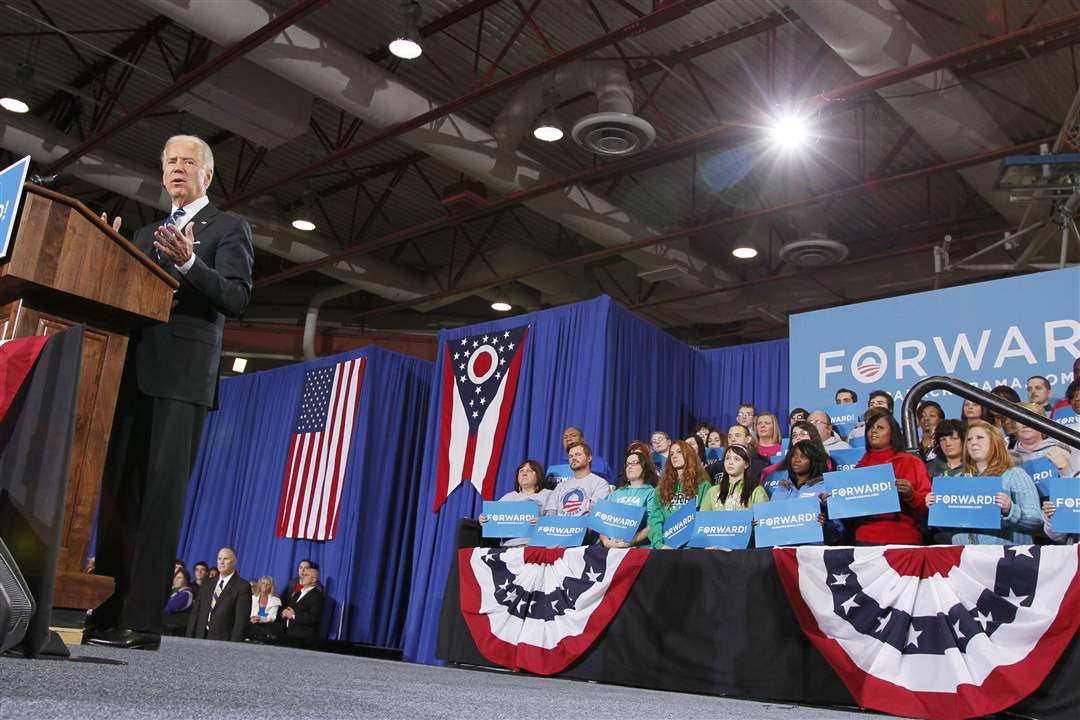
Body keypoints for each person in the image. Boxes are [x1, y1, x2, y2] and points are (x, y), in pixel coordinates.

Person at [89, 135, 254, 650]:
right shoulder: (144, 233)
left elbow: (236, 298)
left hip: (182, 381)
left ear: (208, 175)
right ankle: (105, 613)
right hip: (130, 375)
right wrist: (106, 256)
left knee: (159, 503)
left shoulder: (228, 228)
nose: (178, 169)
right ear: (162, 174)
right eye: (171, 162)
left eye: (188, 162)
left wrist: (189, 264)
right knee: (119, 499)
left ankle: (141, 623)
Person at [926, 419, 1041, 545]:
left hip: (1003, 554)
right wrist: (938, 508)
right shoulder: (958, 479)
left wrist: (1010, 510)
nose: (973, 442)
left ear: (995, 442)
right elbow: (950, 528)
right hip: (964, 554)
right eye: (969, 439)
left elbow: (1036, 521)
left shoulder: (1014, 475)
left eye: (979, 438)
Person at [850, 410, 930, 545]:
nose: (873, 431)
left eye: (880, 428)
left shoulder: (912, 462)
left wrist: (911, 495)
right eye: (870, 428)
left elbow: (928, 505)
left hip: (904, 537)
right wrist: (834, 500)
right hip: (865, 539)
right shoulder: (858, 469)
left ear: (893, 433)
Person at [768, 441, 844, 544]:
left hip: (813, 550)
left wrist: (825, 525)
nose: (796, 460)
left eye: (803, 457)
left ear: (813, 461)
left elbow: (839, 531)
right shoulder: (781, 489)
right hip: (783, 549)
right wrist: (760, 524)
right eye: (794, 455)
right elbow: (770, 522)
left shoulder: (825, 488)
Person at [479, 459, 552, 546]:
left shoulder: (549, 495)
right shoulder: (509, 497)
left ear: (538, 475)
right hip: (509, 547)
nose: (524, 474)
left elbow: (555, 521)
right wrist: (483, 519)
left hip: (536, 546)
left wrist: (542, 523)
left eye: (529, 470)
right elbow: (489, 518)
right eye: (521, 471)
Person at [598, 450, 662, 549]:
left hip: (638, 548)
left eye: (634, 463)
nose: (630, 467)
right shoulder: (614, 494)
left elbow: (652, 524)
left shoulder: (651, 493)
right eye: (627, 464)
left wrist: (630, 542)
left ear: (645, 468)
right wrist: (607, 542)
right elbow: (602, 523)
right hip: (611, 547)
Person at [186, 547, 250, 642]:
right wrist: (189, 638)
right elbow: (195, 613)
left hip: (223, 641)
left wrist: (234, 644)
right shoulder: (207, 584)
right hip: (200, 637)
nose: (221, 562)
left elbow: (241, 620)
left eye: (226, 559)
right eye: (219, 558)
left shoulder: (242, 586)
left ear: (234, 562)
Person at [656, 440, 710, 539]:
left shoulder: (703, 486)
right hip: (665, 541)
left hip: (692, 542)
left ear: (689, 455)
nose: (674, 456)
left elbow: (705, 519)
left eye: (679, 452)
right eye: (671, 454)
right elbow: (655, 519)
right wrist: (658, 543)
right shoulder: (662, 487)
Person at [1010, 403, 1080, 477]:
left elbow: (1076, 483)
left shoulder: (1063, 450)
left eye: (1030, 419)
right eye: (1020, 419)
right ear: (1014, 425)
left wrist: (1065, 468)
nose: (1025, 424)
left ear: (1043, 424)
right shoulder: (1009, 459)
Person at [547, 442, 610, 516]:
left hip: (583, 523)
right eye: (570, 456)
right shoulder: (560, 486)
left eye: (578, 454)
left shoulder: (600, 483)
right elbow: (550, 514)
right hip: (558, 523)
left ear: (589, 458)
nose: (573, 458)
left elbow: (594, 515)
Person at [699, 445, 768, 512]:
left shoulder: (756, 491)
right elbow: (703, 518)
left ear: (746, 464)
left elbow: (763, 517)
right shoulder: (712, 491)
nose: (730, 462)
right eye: (727, 458)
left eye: (736, 459)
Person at [280, 563, 324, 646]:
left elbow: (313, 618)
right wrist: (285, 612)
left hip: (303, 639)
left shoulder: (317, 596)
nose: (302, 576)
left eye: (306, 575)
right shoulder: (298, 592)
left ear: (314, 579)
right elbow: (290, 608)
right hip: (288, 634)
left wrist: (293, 616)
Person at [162, 567, 194, 637]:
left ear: (186, 580)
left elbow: (169, 609)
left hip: (176, 631)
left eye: (179, 578)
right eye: (175, 577)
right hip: (169, 629)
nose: (176, 580)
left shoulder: (185, 594)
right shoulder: (177, 592)